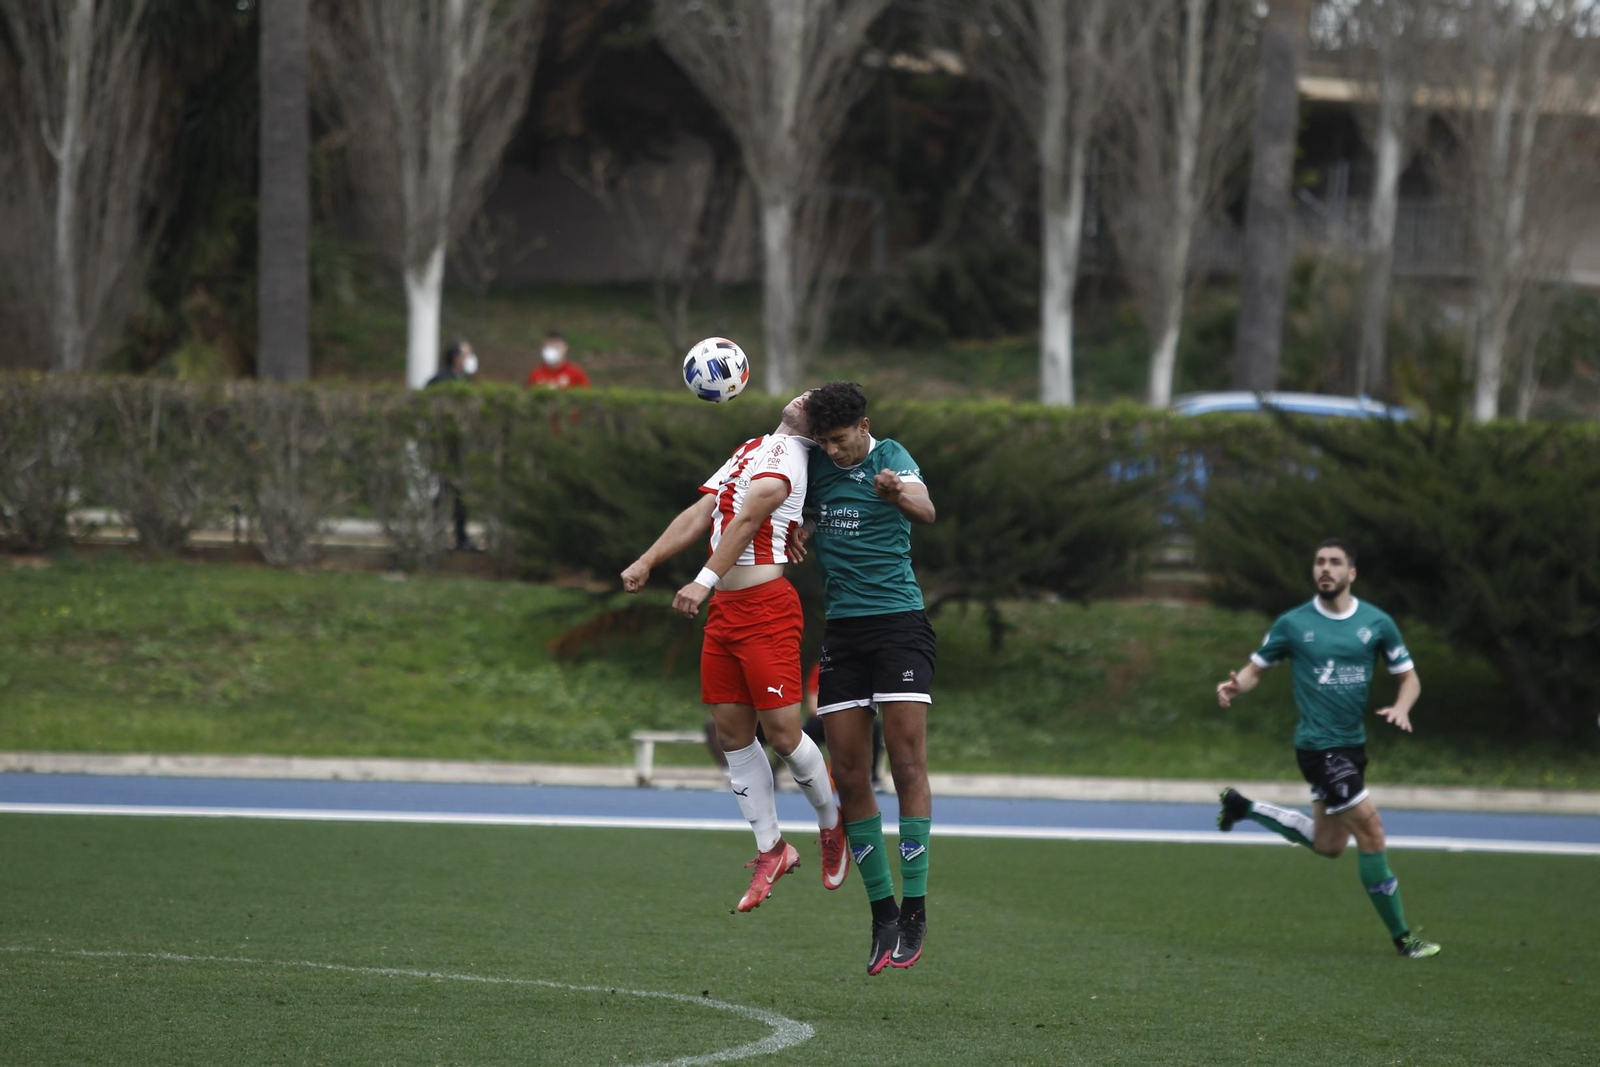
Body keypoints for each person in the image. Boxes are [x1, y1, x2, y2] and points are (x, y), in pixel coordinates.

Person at [621, 393, 847, 912]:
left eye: (814, 403)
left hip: (766, 609)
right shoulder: (753, 447)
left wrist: (701, 581)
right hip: (726, 614)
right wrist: (648, 559)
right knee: (730, 735)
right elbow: (704, 509)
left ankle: (832, 825)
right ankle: (772, 850)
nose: (803, 396)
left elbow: (747, 522)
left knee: (786, 736)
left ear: (816, 429)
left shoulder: (794, 456)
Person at [1214, 538, 1441, 960]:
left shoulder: (1377, 622)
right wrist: (1235, 687)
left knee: (1329, 845)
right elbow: (1255, 669)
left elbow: (1409, 677)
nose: (1325, 568)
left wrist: (1403, 707)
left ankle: (1243, 807)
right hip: (1320, 749)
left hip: (1353, 747)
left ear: (1351, 573)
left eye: (1335, 563)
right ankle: (1403, 938)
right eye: (1319, 562)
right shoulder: (1293, 624)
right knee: (1372, 832)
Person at [799, 380, 937, 975]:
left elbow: (927, 510)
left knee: (905, 765)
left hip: (899, 626)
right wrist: (802, 527)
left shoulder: (890, 456)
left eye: (841, 439)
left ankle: (915, 910)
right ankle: (882, 912)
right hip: (844, 634)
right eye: (824, 441)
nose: (834, 451)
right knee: (850, 773)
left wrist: (896, 493)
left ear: (864, 425)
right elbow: (789, 489)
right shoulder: (814, 464)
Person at [424, 340, 478, 551]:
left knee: (456, 492)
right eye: (467, 354)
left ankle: (457, 536)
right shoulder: (441, 381)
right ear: (456, 358)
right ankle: (441, 534)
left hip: (458, 445)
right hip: (445, 444)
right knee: (448, 490)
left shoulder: (462, 381)